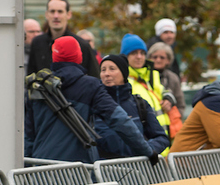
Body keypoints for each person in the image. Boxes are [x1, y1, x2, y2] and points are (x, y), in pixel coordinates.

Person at [24, 36, 152, 163]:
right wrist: (148, 152)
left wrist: (26, 170)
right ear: (79, 56)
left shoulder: (38, 88)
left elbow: (28, 137)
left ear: (54, 57)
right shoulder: (90, 86)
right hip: (79, 170)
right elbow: (120, 120)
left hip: (42, 168)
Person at [98, 54, 170, 158]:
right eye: (103, 70)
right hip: (103, 171)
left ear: (124, 73)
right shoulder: (94, 104)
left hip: (137, 170)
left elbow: (162, 138)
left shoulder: (139, 104)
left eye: (112, 69)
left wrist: (147, 150)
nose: (107, 74)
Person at [27, 0, 99, 78]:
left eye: (60, 11)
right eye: (52, 11)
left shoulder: (82, 45)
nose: (56, 16)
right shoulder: (37, 43)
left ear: (68, 14)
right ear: (46, 14)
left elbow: (94, 77)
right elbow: (31, 76)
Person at [122, 34, 176, 140]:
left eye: (142, 53)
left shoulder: (151, 76)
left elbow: (164, 91)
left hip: (162, 142)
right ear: (125, 56)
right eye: (134, 53)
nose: (139, 57)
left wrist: (168, 98)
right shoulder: (123, 81)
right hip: (146, 145)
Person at [149, 42, 186, 122]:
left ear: (168, 60)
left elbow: (181, 104)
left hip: (170, 124)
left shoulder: (173, 78)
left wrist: (175, 119)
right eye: (155, 57)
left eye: (162, 57)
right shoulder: (144, 76)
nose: (158, 60)